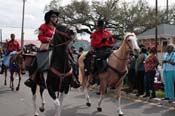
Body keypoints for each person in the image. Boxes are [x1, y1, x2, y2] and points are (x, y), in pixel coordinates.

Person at [24, 10, 59, 87]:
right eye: (53, 16)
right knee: (39, 59)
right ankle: (32, 77)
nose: (54, 18)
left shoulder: (58, 27)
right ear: (49, 18)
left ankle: (73, 77)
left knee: (69, 58)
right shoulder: (43, 26)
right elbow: (40, 37)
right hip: (46, 46)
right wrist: (48, 39)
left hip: (57, 46)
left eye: (56, 17)